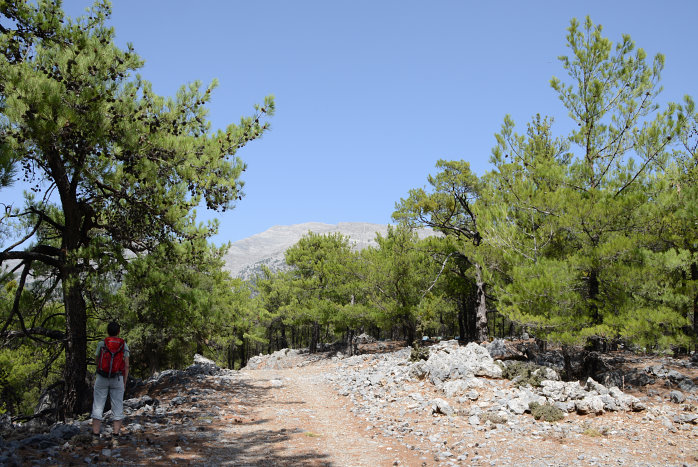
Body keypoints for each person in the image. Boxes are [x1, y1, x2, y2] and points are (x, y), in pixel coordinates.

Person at [91, 321, 129, 444]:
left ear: (108, 331)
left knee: (98, 406)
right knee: (117, 407)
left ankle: (96, 437)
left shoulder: (101, 344)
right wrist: (124, 381)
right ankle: (115, 438)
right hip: (117, 378)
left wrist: (101, 370)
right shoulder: (124, 345)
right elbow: (127, 365)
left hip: (102, 378)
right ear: (118, 332)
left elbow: (97, 359)